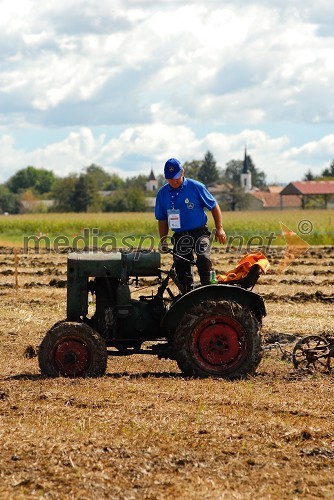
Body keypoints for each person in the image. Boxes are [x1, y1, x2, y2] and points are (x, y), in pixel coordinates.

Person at [155, 157, 226, 291]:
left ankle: (208, 292)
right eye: (170, 178)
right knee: (181, 266)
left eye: (176, 177)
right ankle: (187, 297)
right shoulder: (162, 193)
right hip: (180, 235)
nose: (173, 181)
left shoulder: (196, 187)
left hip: (200, 233)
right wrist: (163, 241)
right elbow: (162, 219)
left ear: (182, 172)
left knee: (203, 258)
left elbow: (214, 206)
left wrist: (219, 228)